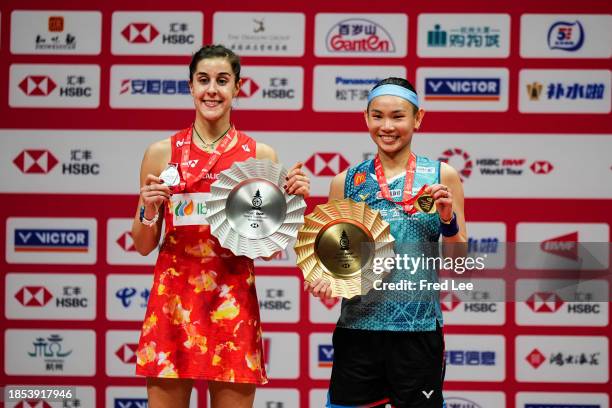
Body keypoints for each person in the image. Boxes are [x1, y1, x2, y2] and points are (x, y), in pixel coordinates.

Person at [131, 44, 310, 408]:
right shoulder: (160, 152)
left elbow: (271, 247)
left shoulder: (260, 155)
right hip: (172, 303)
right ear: (190, 87)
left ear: (238, 88)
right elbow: (143, 244)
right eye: (203, 80)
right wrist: (149, 210)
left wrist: (293, 204)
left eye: (222, 81)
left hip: (232, 301)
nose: (212, 89)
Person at [305, 77, 467, 408]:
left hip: (418, 330)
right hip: (358, 329)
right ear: (366, 119)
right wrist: (323, 277)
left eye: (398, 116)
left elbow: (457, 261)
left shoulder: (442, 176)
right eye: (377, 116)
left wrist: (448, 221)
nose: (387, 126)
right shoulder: (346, 182)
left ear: (418, 118)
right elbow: (331, 258)